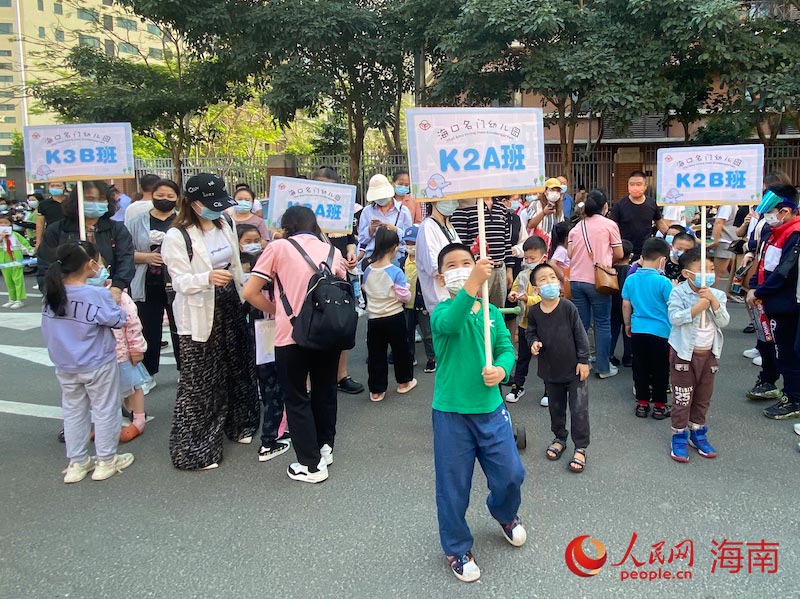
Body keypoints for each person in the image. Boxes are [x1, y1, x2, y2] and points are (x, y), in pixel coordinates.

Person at [431, 243, 525, 583]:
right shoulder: (441, 313)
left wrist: (501, 370)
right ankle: (457, 547)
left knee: (512, 473)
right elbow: (454, 321)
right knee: (453, 486)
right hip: (451, 413)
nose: (461, 269)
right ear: (442, 278)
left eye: (467, 263)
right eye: (453, 266)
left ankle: (505, 513)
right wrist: (472, 282)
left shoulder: (493, 313)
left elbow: (505, 349)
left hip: (491, 409)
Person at [162, 173, 260, 470]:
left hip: (230, 300)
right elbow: (178, 281)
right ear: (192, 204)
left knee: (238, 364)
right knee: (201, 378)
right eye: (210, 204)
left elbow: (234, 263)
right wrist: (206, 278)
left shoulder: (225, 223)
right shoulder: (177, 236)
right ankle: (194, 449)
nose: (217, 209)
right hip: (199, 309)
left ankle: (241, 423)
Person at [243, 206, 348, 483]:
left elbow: (249, 291)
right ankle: (325, 449)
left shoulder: (277, 248)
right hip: (327, 333)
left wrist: (277, 310)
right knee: (325, 391)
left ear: (287, 227)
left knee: (296, 397)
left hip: (290, 335)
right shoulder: (332, 251)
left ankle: (310, 466)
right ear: (315, 226)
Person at [41, 240, 134, 483]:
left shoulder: (52, 292)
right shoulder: (95, 294)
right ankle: (106, 460)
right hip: (96, 362)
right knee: (104, 411)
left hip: (65, 364)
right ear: (91, 265)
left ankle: (77, 462)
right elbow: (117, 319)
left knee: (73, 412)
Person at [527, 262, 591, 473]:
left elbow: (580, 334)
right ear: (536, 288)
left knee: (579, 410)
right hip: (550, 371)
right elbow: (531, 332)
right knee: (555, 409)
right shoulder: (534, 311)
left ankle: (580, 447)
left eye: (552, 277)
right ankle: (559, 438)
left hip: (574, 370)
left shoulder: (567, 307)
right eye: (543, 279)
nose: (549, 282)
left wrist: (583, 360)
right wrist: (533, 342)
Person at [668, 248, 729, 462]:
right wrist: (696, 308)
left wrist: (712, 301)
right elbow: (674, 318)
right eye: (702, 269)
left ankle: (698, 432)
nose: (709, 273)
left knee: (703, 397)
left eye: (711, 269)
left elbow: (723, 322)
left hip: (709, 355)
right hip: (684, 355)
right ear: (687, 273)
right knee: (683, 397)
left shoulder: (717, 294)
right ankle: (679, 435)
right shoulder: (679, 292)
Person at [746, 186, 800, 420]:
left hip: (785, 303)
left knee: (785, 351)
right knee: (772, 347)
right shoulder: (774, 231)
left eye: (771, 212)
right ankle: (771, 383)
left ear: (785, 211)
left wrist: (760, 291)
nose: (767, 218)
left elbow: (784, 272)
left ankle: (794, 398)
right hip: (767, 299)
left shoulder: (795, 234)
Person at [310, 166, 364, 396]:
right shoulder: (305, 214)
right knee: (314, 327)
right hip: (314, 280)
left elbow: (349, 240)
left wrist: (351, 253)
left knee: (343, 325)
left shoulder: (342, 212)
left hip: (341, 280)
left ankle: (341, 375)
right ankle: (313, 381)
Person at [37, 180, 134, 301]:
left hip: (109, 296)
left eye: (101, 199)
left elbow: (126, 261)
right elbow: (45, 265)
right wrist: (56, 293)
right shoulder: (57, 230)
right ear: (76, 200)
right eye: (90, 199)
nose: (96, 203)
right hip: (67, 298)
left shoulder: (117, 229)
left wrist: (117, 288)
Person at [126, 178, 181, 391]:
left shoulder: (183, 221)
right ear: (151, 196)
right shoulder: (136, 222)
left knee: (180, 329)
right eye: (160, 195)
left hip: (177, 285)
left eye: (170, 196)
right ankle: (148, 373)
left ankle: (184, 371)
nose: (165, 199)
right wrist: (146, 257)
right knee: (148, 329)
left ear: (177, 198)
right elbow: (124, 252)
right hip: (146, 283)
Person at [567, 189, 624, 378]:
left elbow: (569, 254)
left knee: (581, 323)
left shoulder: (575, 228)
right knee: (602, 323)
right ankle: (603, 367)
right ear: (605, 206)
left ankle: (581, 362)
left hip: (576, 280)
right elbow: (619, 254)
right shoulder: (610, 225)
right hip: (599, 280)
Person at [363, 227, 417, 401]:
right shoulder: (395, 272)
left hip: (374, 319)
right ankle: (404, 382)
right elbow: (404, 296)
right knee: (401, 350)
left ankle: (377, 390)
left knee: (376, 354)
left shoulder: (368, 270)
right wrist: (406, 291)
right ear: (395, 248)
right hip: (395, 316)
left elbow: (366, 292)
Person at [622, 238, 673, 420]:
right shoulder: (664, 282)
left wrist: (627, 324)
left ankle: (642, 404)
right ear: (662, 260)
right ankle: (660, 406)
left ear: (642, 257)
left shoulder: (631, 279)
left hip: (638, 329)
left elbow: (626, 304)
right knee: (660, 368)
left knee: (640, 366)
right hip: (661, 332)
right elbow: (672, 306)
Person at [505, 235, 547, 405]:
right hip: (524, 323)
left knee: (546, 359)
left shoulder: (546, 275)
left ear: (543, 257)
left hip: (544, 324)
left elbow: (544, 297)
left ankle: (549, 390)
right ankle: (518, 386)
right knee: (523, 357)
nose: (529, 261)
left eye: (532, 258)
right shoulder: (522, 274)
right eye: (526, 258)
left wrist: (527, 299)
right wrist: (513, 295)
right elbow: (514, 290)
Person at [451, 197, 513, 308]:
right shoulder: (465, 206)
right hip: (477, 269)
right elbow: (459, 244)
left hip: (500, 267)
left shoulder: (500, 207)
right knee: (476, 308)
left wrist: (509, 269)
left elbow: (506, 240)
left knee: (498, 312)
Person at [113, 285, 149, 443]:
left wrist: (136, 349)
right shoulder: (88, 294)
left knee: (133, 386)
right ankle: (109, 425)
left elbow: (132, 323)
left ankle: (139, 419)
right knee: (106, 391)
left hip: (123, 352)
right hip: (101, 356)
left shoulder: (120, 296)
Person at [610, 171, 668, 259]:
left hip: (646, 251)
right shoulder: (619, 205)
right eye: (632, 184)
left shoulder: (651, 203)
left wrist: (670, 237)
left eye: (638, 184)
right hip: (625, 251)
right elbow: (612, 227)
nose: (635, 187)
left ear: (645, 186)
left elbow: (659, 222)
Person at [416, 199, 461, 312]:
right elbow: (434, 267)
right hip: (441, 301)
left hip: (457, 298)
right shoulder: (428, 227)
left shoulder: (450, 227)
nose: (450, 202)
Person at [358, 174, 413, 266]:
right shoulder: (367, 211)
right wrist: (370, 230)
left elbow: (409, 238)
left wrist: (395, 230)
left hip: (395, 256)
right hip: (373, 255)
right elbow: (361, 239)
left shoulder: (403, 211)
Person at [402, 225, 436, 373]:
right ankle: (410, 357)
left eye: (413, 244)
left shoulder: (424, 260)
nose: (410, 247)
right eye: (408, 243)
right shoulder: (403, 260)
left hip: (421, 303)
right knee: (407, 333)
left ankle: (431, 359)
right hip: (406, 303)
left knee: (427, 333)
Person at [0, 209, 34, 309]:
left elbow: (25, 244)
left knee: (17, 279)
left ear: (10, 224)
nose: (3, 225)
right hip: (3, 258)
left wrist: (31, 251)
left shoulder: (15, 235)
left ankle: (19, 300)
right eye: (1, 223)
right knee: (8, 280)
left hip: (15, 257)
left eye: (5, 223)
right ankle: (12, 299)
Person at [609, 240, 634, 367]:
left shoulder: (610, 270)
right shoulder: (632, 271)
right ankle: (628, 356)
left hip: (612, 304)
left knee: (612, 330)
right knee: (628, 330)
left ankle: (610, 354)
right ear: (630, 256)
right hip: (628, 306)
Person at [710, 203, 742, 298]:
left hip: (728, 241)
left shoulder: (730, 204)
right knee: (718, 272)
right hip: (724, 241)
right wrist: (716, 241)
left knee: (730, 270)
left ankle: (731, 292)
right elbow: (719, 222)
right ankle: (707, 296)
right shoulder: (727, 205)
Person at [526, 178, 566, 243]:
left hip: (553, 244)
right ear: (545, 191)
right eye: (552, 190)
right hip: (537, 243)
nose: (555, 193)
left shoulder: (559, 208)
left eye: (557, 191)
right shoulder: (536, 204)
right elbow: (530, 225)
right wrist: (544, 213)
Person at [35, 181, 66, 249]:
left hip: (70, 234)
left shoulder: (72, 201)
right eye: (52, 186)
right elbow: (40, 223)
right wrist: (38, 241)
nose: (55, 188)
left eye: (58, 186)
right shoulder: (43, 204)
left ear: (64, 187)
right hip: (52, 235)